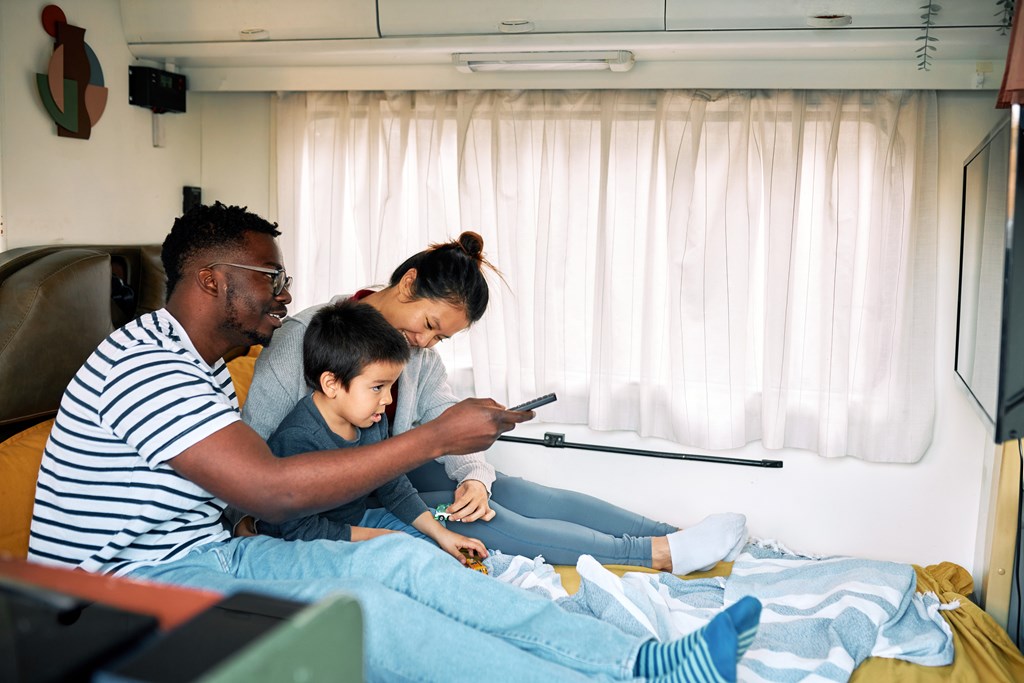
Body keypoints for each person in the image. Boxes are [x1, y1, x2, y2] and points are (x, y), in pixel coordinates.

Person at [27, 202, 760, 682]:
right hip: (123, 587)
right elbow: (270, 485)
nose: (284, 292)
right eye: (271, 276)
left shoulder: (203, 367)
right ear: (213, 280)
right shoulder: (145, 362)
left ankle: (644, 661)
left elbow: (246, 498)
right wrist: (435, 438)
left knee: (402, 561)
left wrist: (408, 502)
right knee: (362, 612)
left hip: (206, 552)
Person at [241, 231, 748, 574]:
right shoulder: (308, 335)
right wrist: (241, 520)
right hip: (335, 492)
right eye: (430, 326)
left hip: (385, 478)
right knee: (479, 520)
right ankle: (654, 554)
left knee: (508, 491)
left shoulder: (412, 354)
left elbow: (442, 420)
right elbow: (250, 443)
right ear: (409, 283)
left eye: (440, 340)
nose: (424, 343)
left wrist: (475, 478)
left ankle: (674, 533)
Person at [260, 298, 488, 567]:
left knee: (434, 551)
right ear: (331, 384)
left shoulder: (372, 420)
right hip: (297, 542)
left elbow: (393, 486)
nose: (388, 400)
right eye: (378, 387)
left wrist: (442, 534)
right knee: (402, 555)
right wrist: (381, 537)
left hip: (355, 523)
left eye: (391, 387)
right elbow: (300, 530)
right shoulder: (298, 438)